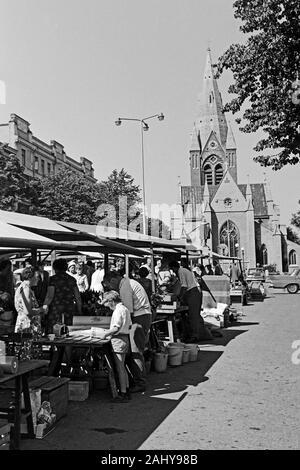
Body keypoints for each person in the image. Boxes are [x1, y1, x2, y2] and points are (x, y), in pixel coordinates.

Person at [102, 271, 152, 393]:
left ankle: (140, 383)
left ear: (113, 280)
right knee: (134, 350)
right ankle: (136, 380)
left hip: (139, 317)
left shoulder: (125, 286)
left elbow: (127, 311)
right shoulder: (127, 283)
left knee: (135, 351)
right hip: (141, 315)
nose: (110, 288)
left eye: (109, 285)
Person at [100, 291, 132, 403]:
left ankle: (123, 393)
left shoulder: (118, 311)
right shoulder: (124, 309)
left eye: (108, 303)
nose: (108, 306)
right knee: (123, 366)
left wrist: (105, 333)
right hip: (124, 338)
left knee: (120, 368)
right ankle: (126, 390)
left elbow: (115, 328)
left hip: (119, 339)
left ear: (111, 301)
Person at [169, 261, 212, 342]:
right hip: (193, 293)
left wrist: (179, 297)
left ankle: (195, 336)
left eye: (172, 269)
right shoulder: (183, 270)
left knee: (193, 316)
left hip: (193, 293)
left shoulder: (180, 271)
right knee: (193, 315)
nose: (173, 271)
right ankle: (197, 334)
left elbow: (184, 286)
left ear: (174, 267)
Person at [43, 259, 82, 334]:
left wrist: (44, 308)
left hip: (55, 310)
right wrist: (80, 310)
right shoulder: (72, 279)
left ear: (55, 268)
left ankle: (53, 345)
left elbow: (49, 296)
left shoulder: (53, 279)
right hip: (69, 309)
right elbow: (78, 297)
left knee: (54, 332)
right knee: (68, 332)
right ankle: (68, 345)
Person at [14, 266, 45, 335]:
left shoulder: (25, 287)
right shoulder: (26, 289)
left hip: (28, 326)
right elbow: (28, 311)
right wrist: (41, 309)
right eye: (37, 276)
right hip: (27, 328)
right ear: (30, 276)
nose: (38, 279)